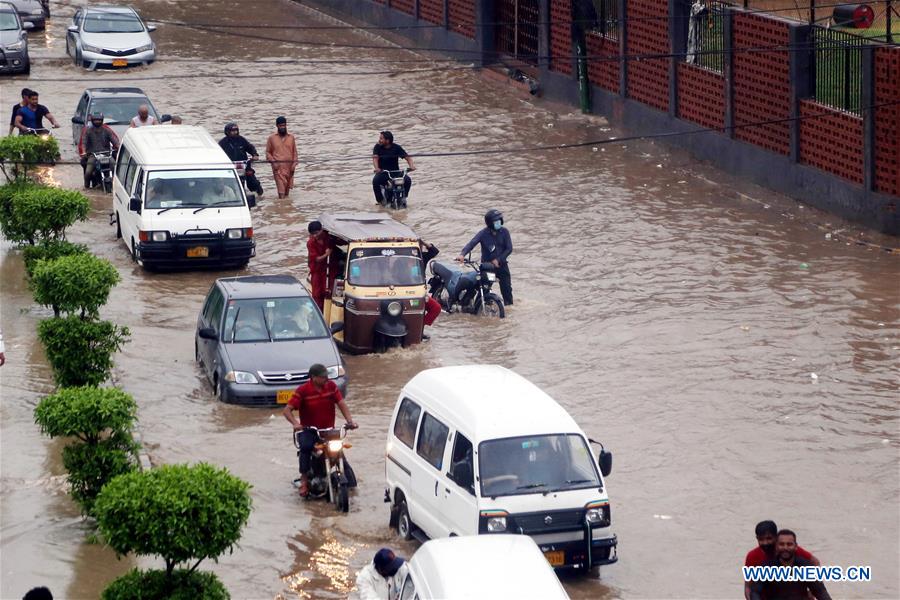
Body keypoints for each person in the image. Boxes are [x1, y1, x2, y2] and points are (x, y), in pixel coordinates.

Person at [282, 363, 357, 497]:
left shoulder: (331, 387)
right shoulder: (303, 390)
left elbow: (341, 404)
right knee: (305, 447)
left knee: (339, 451)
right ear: (313, 377)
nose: (326, 379)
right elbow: (287, 410)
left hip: (328, 431)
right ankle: (304, 481)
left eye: (327, 376)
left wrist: (350, 421)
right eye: (323, 377)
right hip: (309, 431)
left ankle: (350, 483)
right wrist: (295, 423)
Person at [743, 520, 819, 600]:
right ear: (757, 539)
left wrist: (812, 591)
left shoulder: (789, 550)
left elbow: (815, 562)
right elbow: (748, 587)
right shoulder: (752, 556)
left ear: (776, 537)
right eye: (761, 539)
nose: (765, 543)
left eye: (769, 538)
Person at [456, 208, 514, 306]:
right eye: (496, 221)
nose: (499, 223)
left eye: (500, 220)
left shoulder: (505, 232)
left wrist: (498, 259)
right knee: (484, 289)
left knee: (507, 291)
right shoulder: (483, 233)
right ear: (490, 223)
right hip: (488, 267)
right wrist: (462, 254)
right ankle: (478, 307)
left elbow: (509, 249)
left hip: (502, 266)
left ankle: (508, 310)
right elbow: (472, 243)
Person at [219, 122, 263, 196]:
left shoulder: (241, 140)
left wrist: (255, 155)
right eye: (232, 131)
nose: (235, 133)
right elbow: (218, 154)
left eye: (236, 131)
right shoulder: (223, 143)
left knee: (253, 183)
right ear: (227, 132)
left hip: (245, 166)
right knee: (234, 187)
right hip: (231, 168)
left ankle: (260, 195)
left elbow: (250, 147)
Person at [372, 130, 415, 204]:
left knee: (407, 180)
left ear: (387, 140)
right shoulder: (377, 147)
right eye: (380, 138)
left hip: (395, 172)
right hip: (383, 172)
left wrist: (411, 166)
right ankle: (379, 201)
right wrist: (377, 168)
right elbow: (375, 158)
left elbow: (407, 157)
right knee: (375, 181)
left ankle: (404, 197)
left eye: (381, 138)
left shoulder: (396, 147)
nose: (379, 140)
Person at [77, 113, 119, 189]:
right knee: (88, 172)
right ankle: (86, 187)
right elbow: (83, 143)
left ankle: (115, 185)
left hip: (106, 154)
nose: (97, 122)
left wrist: (118, 147)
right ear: (92, 121)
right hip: (93, 155)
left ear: (102, 120)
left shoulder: (107, 130)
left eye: (99, 120)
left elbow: (114, 140)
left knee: (114, 166)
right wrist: (83, 152)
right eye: (95, 120)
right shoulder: (88, 131)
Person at [265, 116, 298, 199]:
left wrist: (294, 165)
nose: (283, 127)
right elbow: (268, 153)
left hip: (289, 169)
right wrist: (273, 162)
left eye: (284, 125)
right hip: (278, 169)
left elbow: (295, 152)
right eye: (281, 126)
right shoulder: (271, 138)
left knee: (287, 193)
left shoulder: (291, 137)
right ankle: (282, 205)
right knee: (281, 193)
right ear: (277, 126)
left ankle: (285, 209)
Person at [307, 221, 333, 311]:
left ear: (321, 230)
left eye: (316, 233)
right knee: (316, 294)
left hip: (329, 268)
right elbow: (317, 259)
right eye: (312, 234)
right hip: (316, 270)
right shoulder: (310, 243)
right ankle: (318, 312)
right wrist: (327, 254)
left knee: (329, 291)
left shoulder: (327, 236)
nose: (315, 236)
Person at [419, 240, 441, 338]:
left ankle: (420, 327)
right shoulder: (401, 258)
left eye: (419, 245)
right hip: (404, 289)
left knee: (436, 307)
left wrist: (424, 243)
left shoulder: (423, 257)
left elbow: (435, 251)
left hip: (420, 290)